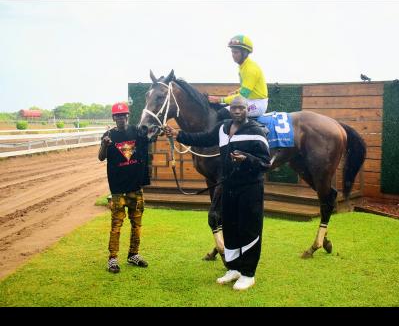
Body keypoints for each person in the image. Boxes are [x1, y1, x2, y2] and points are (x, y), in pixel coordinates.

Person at [164, 96, 271, 291]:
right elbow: (203, 138)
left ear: (247, 110)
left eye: (241, 108)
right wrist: (177, 134)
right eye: (234, 108)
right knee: (230, 227)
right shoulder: (223, 128)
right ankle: (233, 268)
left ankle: (248, 273)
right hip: (229, 186)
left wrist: (246, 159)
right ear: (230, 110)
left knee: (249, 228)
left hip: (250, 188)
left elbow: (265, 162)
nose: (237, 111)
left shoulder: (256, 132)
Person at [98, 101, 151, 274]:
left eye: (124, 114)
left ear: (128, 116)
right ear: (114, 117)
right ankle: (112, 259)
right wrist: (105, 145)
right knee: (116, 225)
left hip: (135, 188)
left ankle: (133, 255)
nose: (121, 118)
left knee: (137, 224)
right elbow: (101, 157)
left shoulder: (136, 131)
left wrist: (157, 132)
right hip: (118, 190)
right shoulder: (109, 135)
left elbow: (148, 138)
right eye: (118, 115)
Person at [208, 35, 269, 120]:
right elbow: (246, 87)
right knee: (220, 108)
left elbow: (242, 96)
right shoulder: (243, 66)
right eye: (232, 52)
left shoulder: (250, 69)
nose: (233, 55)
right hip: (249, 100)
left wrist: (219, 99)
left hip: (257, 104)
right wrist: (236, 91)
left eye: (236, 52)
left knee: (222, 114)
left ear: (245, 53)